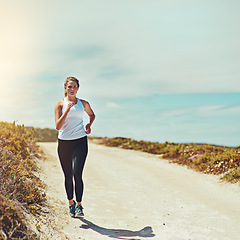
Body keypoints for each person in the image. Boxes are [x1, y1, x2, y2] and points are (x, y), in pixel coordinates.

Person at [54, 76, 95, 217]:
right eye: (69, 87)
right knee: (68, 175)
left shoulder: (83, 103)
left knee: (78, 174)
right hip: (64, 143)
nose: (72, 89)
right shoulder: (59, 104)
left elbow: (92, 115)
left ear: (78, 88)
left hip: (80, 141)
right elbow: (58, 126)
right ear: (65, 88)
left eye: (74, 87)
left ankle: (79, 205)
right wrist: (67, 111)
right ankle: (70, 203)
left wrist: (89, 124)